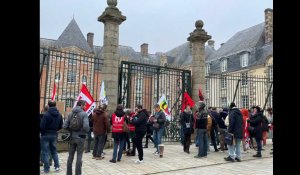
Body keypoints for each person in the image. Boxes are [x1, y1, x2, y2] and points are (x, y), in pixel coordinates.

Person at [63, 100, 90, 175]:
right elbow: (86, 127)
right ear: (81, 105)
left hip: (72, 137)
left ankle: (69, 173)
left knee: (70, 156)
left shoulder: (70, 113)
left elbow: (64, 126)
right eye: (85, 105)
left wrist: (71, 130)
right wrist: (86, 131)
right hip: (81, 137)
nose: (85, 107)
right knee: (79, 156)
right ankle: (78, 173)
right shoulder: (84, 114)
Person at [40, 100, 63, 173]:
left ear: (48, 105)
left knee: (45, 152)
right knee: (54, 151)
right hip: (54, 134)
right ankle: (57, 167)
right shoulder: (59, 115)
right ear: (55, 105)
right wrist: (55, 130)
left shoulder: (46, 115)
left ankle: (46, 169)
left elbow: (42, 126)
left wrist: (43, 132)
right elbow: (60, 126)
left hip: (45, 135)